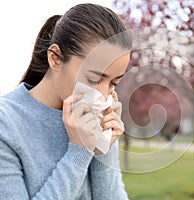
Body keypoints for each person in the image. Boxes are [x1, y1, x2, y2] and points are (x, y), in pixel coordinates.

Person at [0, 3, 132, 199]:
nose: (104, 96)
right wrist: (80, 150)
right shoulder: (7, 123)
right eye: (95, 79)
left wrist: (104, 147)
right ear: (55, 59)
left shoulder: (94, 116)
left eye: (114, 83)